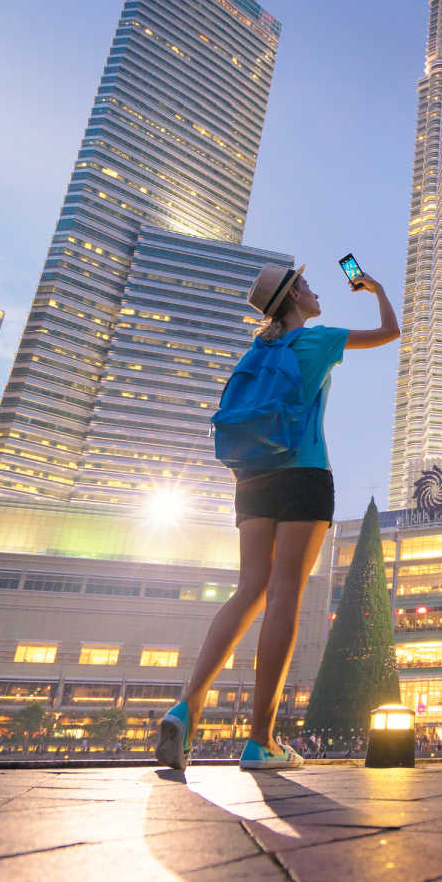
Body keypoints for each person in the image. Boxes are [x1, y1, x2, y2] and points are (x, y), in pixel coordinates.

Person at [155, 261, 399, 772]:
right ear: (292, 300)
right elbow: (390, 332)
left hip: (251, 479)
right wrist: (374, 288)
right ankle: (260, 740)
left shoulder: (256, 351)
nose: (314, 290)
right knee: (285, 594)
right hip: (303, 474)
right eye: (305, 285)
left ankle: (187, 704)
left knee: (248, 590)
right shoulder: (317, 341)